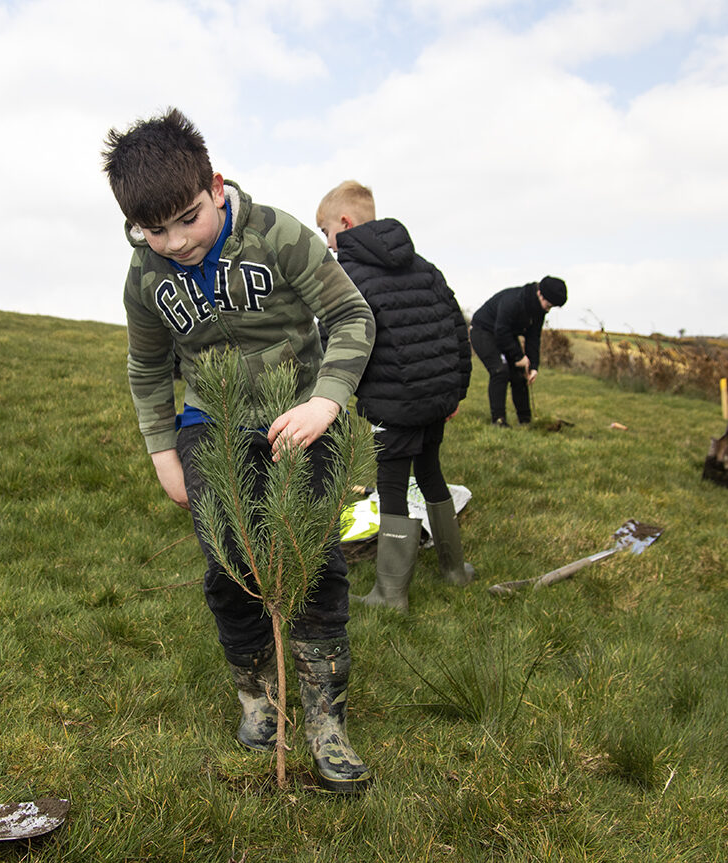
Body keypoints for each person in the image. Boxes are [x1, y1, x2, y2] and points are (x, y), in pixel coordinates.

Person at [102, 109, 376, 794]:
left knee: (314, 564)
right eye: (152, 229)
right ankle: (258, 697)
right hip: (208, 427)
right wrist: (163, 450)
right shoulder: (145, 278)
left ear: (215, 187)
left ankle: (324, 719)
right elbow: (146, 369)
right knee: (229, 566)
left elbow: (351, 316)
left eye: (187, 219)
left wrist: (325, 400)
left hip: (300, 419)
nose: (175, 241)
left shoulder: (277, 235)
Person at [316, 180, 474, 610]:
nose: (328, 245)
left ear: (344, 224)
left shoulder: (347, 274)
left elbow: (331, 334)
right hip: (436, 398)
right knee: (430, 474)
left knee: (391, 487)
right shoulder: (424, 266)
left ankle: (390, 593)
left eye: (326, 232)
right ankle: (455, 570)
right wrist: (457, 389)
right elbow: (458, 327)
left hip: (393, 403)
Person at [469, 276, 568, 426]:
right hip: (482, 331)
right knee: (500, 370)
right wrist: (518, 356)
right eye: (548, 305)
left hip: (505, 334)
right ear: (540, 293)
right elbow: (501, 331)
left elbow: (533, 338)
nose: (548, 309)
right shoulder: (514, 301)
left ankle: (526, 421)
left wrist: (533, 366)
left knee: (521, 374)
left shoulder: (539, 310)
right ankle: (499, 420)